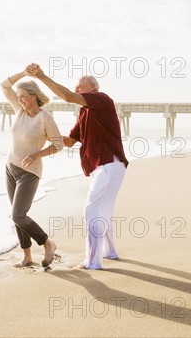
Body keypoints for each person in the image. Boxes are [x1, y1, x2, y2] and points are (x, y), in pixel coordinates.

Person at [27, 63, 129, 270]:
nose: (75, 90)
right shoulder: (84, 113)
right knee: (103, 212)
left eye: (79, 87)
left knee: (91, 210)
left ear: (93, 88)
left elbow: (65, 96)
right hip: (109, 167)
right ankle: (110, 252)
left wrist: (42, 76)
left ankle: (93, 262)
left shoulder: (102, 100)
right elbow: (70, 141)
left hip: (108, 164)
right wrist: (46, 133)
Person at [0, 68, 64, 268]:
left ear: (34, 96)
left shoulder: (45, 118)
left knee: (18, 215)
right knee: (17, 217)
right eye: (18, 97)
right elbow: (4, 85)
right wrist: (23, 73)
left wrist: (37, 154)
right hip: (10, 168)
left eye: (23, 97)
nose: (19, 100)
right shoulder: (19, 110)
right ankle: (27, 256)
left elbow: (58, 144)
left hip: (29, 173)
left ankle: (47, 243)